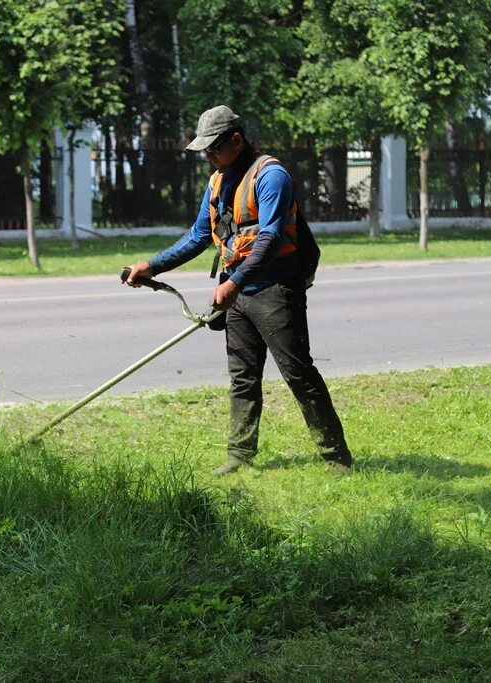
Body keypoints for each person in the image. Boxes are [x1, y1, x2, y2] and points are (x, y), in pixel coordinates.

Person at [123, 105, 352, 476]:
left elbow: (271, 237)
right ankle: (239, 455)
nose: (209, 157)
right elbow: (199, 235)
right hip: (236, 292)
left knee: (298, 373)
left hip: (275, 289)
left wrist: (235, 282)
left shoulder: (271, 175)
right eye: (205, 152)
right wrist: (152, 265)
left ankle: (336, 457)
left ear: (236, 139)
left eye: (213, 148)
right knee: (243, 377)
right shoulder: (217, 180)